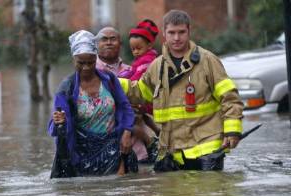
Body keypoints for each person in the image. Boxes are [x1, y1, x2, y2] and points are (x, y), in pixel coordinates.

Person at [120, 10, 244, 171]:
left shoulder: (208, 61)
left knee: (211, 194)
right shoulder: (157, 66)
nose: (176, 38)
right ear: (164, 33)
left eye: (181, 32)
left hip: (207, 150)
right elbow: (142, 93)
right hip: (172, 151)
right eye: (171, 33)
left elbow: (230, 98)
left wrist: (233, 131)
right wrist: (112, 81)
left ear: (189, 31)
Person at [48, 30, 137, 177]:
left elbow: (125, 107)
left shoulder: (109, 80)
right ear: (73, 60)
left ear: (96, 58)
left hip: (113, 150)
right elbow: (56, 127)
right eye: (81, 63)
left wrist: (127, 132)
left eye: (91, 62)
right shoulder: (66, 89)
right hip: (82, 156)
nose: (86, 67)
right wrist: (59, 121)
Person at [95, 26, 158, 164]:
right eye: (104, 39)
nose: (109, 42)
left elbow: (150, 98)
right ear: (96, 45)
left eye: (113, 39)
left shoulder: (133, 70)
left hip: (141, 150)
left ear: (121, 44)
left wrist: (142, 107)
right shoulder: (90, 73)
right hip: (108, 150)